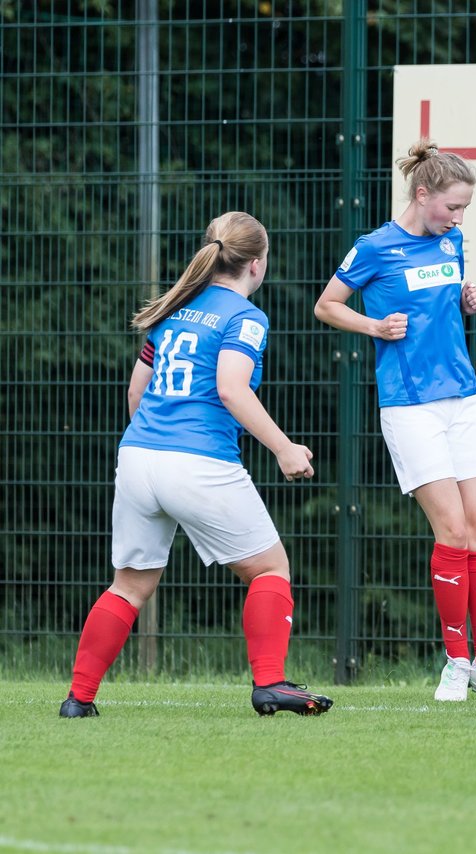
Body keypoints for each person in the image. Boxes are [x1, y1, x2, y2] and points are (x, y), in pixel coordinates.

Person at [61, 212, 332, 718]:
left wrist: (157, 444)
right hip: (198, 460)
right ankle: (270, 683)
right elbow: (231, 388)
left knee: (129, 584)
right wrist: (284, 448)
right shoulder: (245, 317)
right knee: (270, 568)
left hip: (138, 456)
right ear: (257, 263)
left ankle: (79, 700)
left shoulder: (174, 307)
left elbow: (135, 393)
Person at [314, 138, 476, 703]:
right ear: (422, 194)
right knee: (451, 531)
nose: (458, 218)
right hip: (409, 405)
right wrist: (374, 327)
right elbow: (326, 305)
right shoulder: (375, 247)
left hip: (463, 398)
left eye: (464, 210)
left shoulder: (451, 241)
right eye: (452, 207)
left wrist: (468, 298)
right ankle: (456, 661)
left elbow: (445, 304)